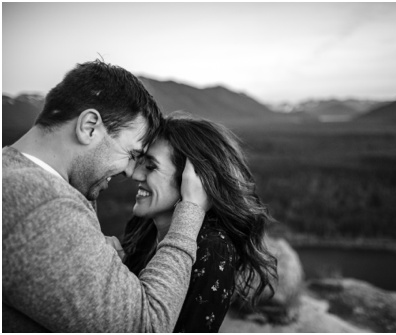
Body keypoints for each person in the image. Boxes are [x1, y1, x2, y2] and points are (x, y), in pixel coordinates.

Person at [2, 60, 210, 332]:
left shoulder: (15, 175)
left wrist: (91, 253)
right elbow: (147, 326)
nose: (130, 171)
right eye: (132, 154)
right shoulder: (42, 208)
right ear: (89, 126)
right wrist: (191, 210)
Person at [119, 116, 278, 332]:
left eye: (150, 166)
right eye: (139, 162)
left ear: (193, 179)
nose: (135, 174)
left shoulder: (213, 250)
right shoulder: (143, 225)